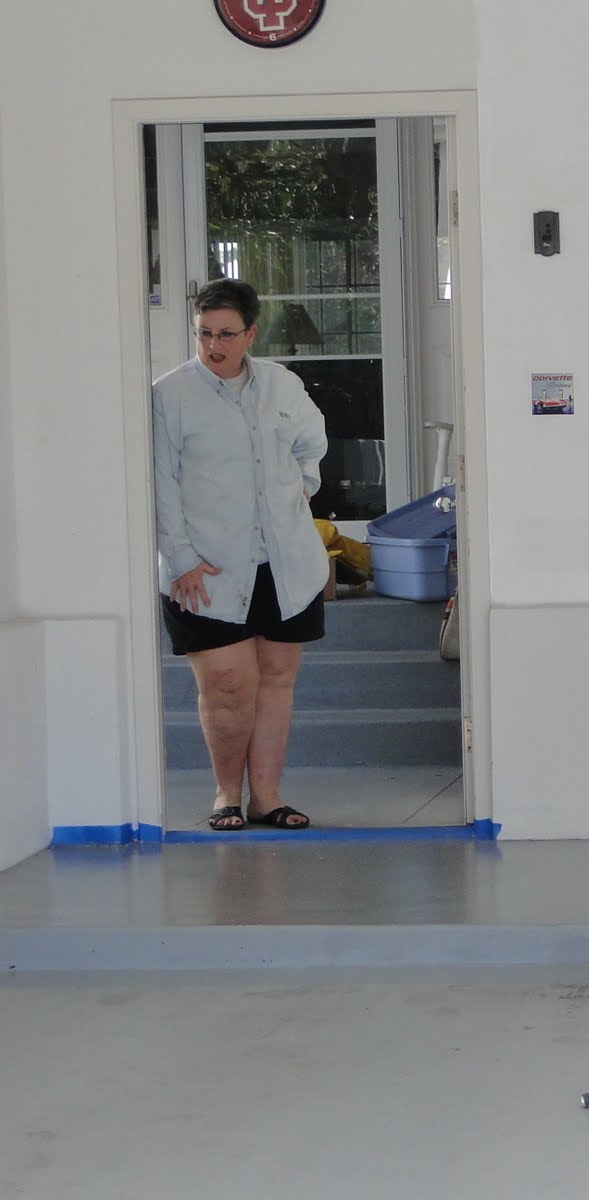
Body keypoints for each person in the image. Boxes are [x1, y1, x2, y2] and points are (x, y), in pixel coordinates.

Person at [154, 279, 328, 831]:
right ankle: (227, 794)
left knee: (276, 677)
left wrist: (300, 487)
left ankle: (267, 797)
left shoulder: (283, 385)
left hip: (284, 563)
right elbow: (160, 481)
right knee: (227, 685)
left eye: (226, 334)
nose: (213, 345)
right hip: (206, 567)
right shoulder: (169, 395)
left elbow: (312, 445)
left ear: (251, 333)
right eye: (204, 333)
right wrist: (179, 556)